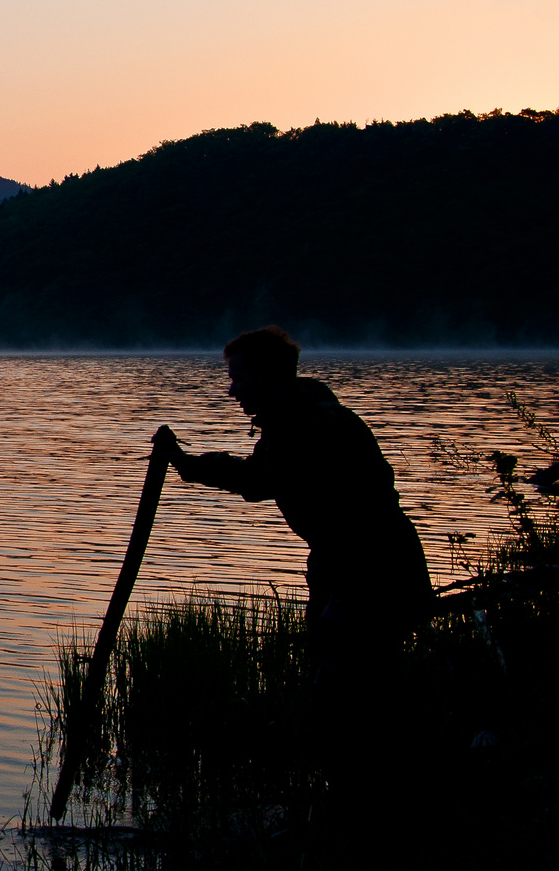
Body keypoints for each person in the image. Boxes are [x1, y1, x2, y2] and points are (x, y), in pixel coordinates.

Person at [152, 325, 432, 856]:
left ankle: (372, 827)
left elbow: (354, 514)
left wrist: (347, 598)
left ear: (266, 375)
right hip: (348, 570)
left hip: (372, 574)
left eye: (237, 378)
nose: (232, 389)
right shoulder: (295, 419)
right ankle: (361, 818)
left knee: (349, 704)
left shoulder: (314, 424)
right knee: (348, 701)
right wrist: (187, 463)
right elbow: (263, 476)